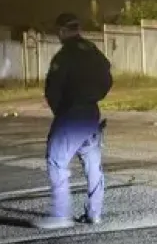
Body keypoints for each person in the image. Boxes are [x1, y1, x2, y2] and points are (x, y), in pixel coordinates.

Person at [33, 13, 113, 229]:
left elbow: (53, 89)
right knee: (91, 162)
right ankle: (94, 213)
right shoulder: (92, 50)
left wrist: (62, 111)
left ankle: (60, 215)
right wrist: (93, 97)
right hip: (91, 112)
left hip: (72, 114)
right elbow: (107, 77)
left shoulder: (64, 55)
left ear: (61, 31)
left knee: (56, 160)